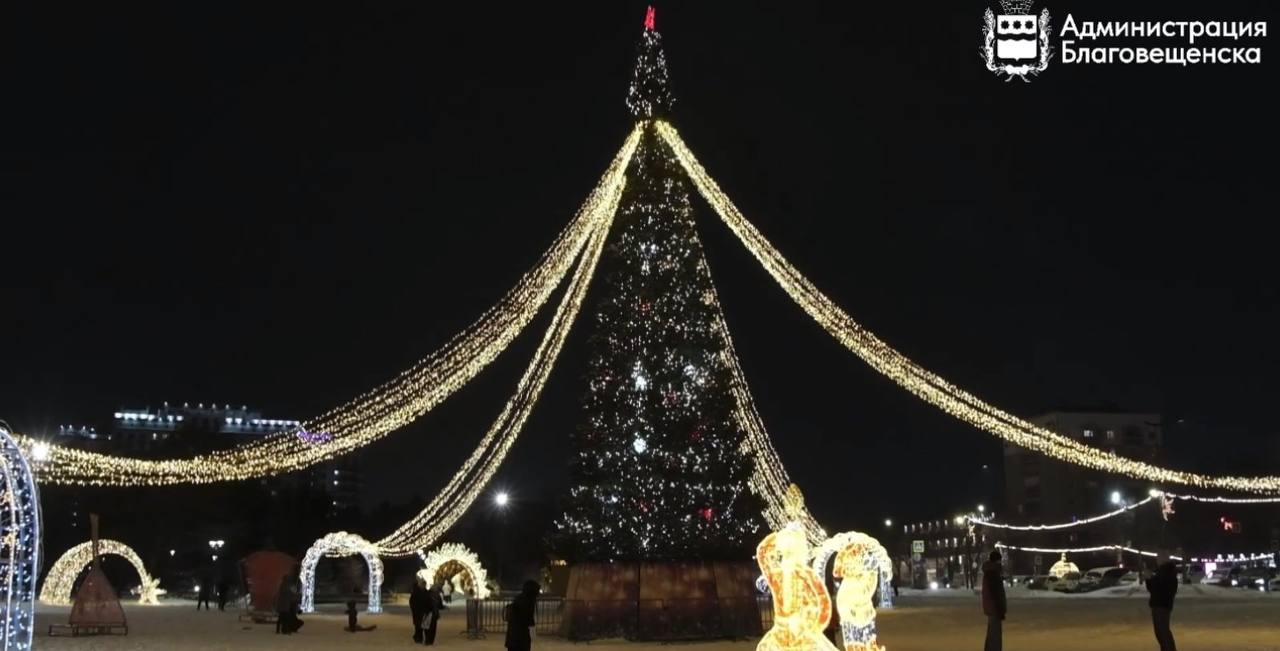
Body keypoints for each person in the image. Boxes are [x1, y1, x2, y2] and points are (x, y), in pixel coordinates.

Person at [1146, 561, 1179, 651]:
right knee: (1161, 632)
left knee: (1162, 632)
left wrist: (1150, 579)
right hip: (1162, 605)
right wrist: (1150, 579)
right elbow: (1153, 588)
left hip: (1160, 605)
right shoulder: (1168, 576)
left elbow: (1155, 589)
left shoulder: (1165, 576)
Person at [981, 551, 1006, 651]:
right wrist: (1000, 609)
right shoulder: (993, 574)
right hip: (994, 608)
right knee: (995, 635)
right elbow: (996, 594)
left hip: (991, 607)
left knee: (992, 633)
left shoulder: (989, 573)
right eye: (999, 560)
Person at [504, 580, 539, 651]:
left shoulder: (519, 598)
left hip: (512, 636)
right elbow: (528, 620)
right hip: (520, 638)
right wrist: (533, 634)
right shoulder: (528, 601)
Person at [410, 577, 430, 644]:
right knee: (418, 626)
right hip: (418, 612)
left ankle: (419, 638)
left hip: (424, 612)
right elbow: (412, 602)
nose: (423, 585)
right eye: (422, 584)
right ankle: (418, 638)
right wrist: (414, 609)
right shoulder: (416, 592)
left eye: (424, 584)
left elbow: (429, 602)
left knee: (423, 626)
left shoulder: (426, 592)